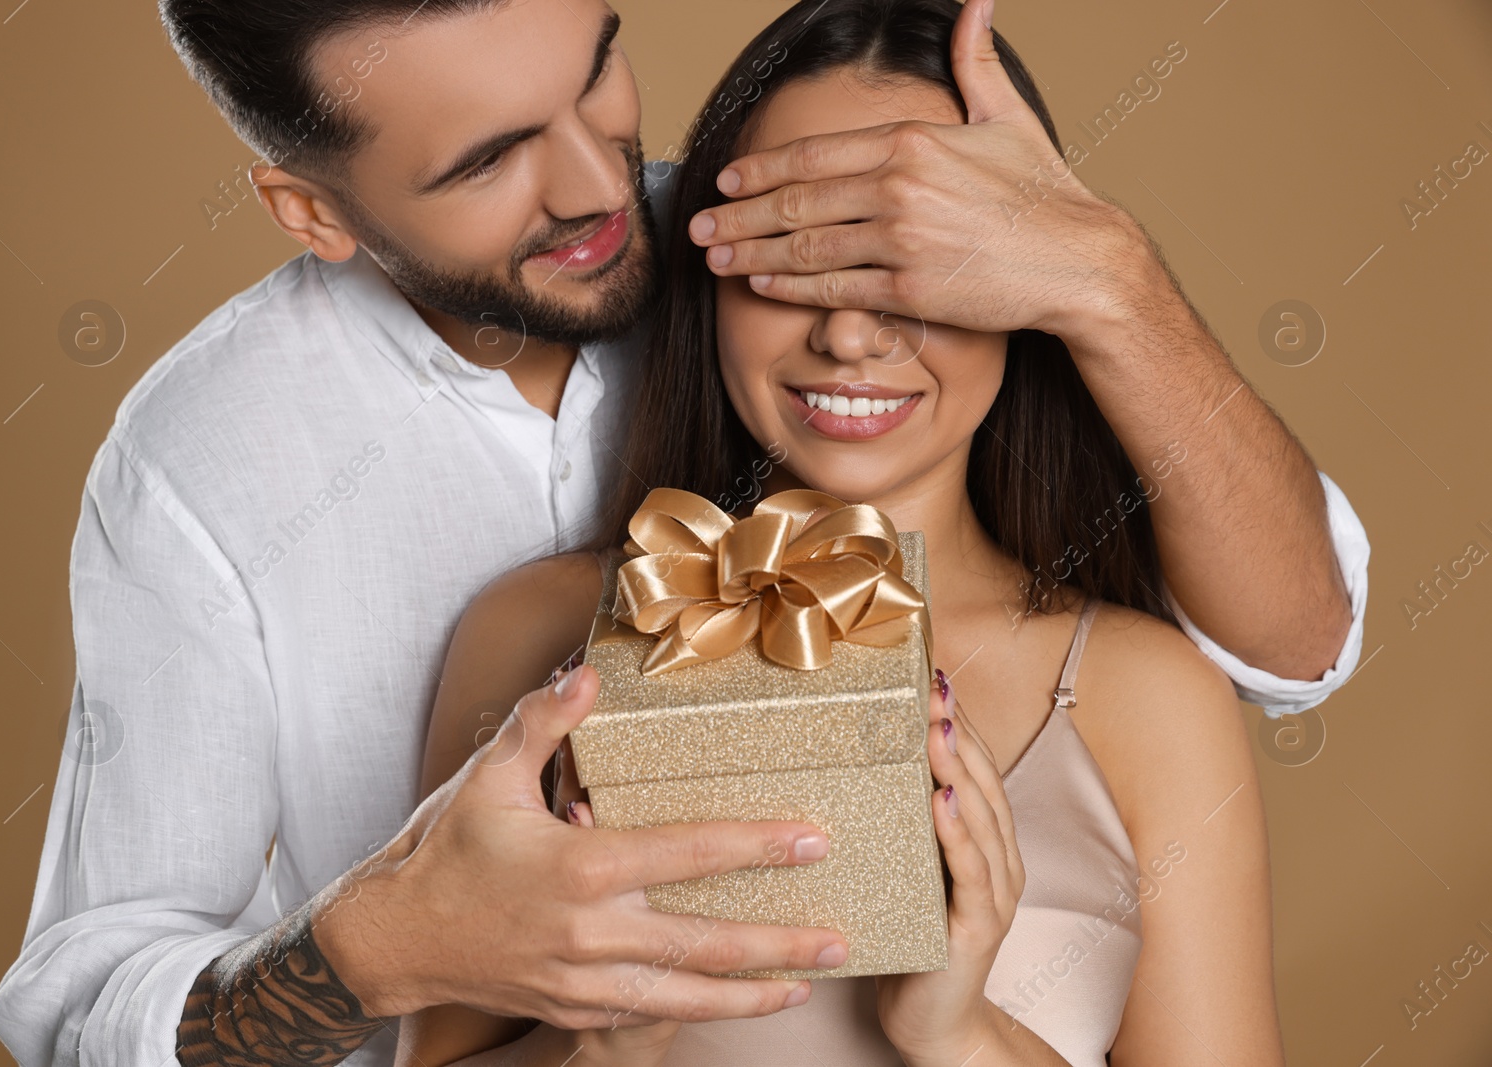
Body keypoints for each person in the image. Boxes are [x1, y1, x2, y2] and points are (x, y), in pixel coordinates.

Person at [0, 0, 1362, 1063]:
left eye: (595, 68)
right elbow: (89, 993)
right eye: (489, 157)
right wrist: (397, 947)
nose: (598, 186)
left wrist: (1104, 274)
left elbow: (1302, 633)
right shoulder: (245, 490)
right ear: (314, 206)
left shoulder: (1134, 681)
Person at [396, 2, 1289, 1063]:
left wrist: (959, 1032)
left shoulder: (1145, 695)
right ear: (707, 276)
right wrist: (610, 1042)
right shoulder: (539, 633)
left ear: (1023, 290)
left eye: (916, 261)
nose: (849, 331)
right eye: (789, 253)